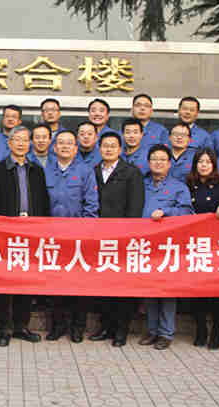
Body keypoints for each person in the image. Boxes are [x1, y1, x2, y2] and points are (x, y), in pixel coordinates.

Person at [0, 125, 49, 347]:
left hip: (31, 234)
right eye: (16, 140)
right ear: (9, 143)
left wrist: (40, 227)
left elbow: (44, 203)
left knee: (26, 282)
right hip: (5, 235)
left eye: (25, 140)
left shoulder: (37, 170)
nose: (21, 144)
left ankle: (22, 326)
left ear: (30, 144)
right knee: (5, 283)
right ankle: (4, 328)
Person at [43, 129, 99, 343]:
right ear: (54, 148)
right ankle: (58, 326)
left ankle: (77, 327)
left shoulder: (85, 171)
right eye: (61, 143)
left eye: (69, 143)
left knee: (79, 284)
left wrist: (85, 233)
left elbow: (91, 204)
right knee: (55, 284)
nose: (65, 146)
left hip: (78, 238)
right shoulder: (46, 171)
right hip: (53, 238)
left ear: (76, 149)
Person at [89, 131, 144, 346]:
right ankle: (106, 327)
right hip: (98, 237)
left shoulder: (131, 172)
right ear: (99, 148)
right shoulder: (94, 171)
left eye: (113, 146)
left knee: (122, 286)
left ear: (120, 149)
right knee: (103, 285)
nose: (109, 149)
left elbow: (135, 206)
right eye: (105, 146)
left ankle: (121, 330)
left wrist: (128, 234)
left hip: (122, 238)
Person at [138, 144, 194, 350]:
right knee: (150, 289)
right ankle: (152, 330)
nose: (158, 163)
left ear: (170, 164)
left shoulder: (179, 187)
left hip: (168, 246)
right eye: (154, 159)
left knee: (167, 290)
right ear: (148, 162)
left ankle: (166, 333)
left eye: (162, 159)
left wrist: (166, 212)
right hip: (145, 245)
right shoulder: (141, 184)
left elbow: (187, 213)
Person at [185, 148, 219, 349]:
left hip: (216, 244)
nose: (204, 165)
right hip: (193, 243)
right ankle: (200, 329)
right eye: (200, 162)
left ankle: (216, 330)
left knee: (216, 290)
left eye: (208, 162)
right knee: (197, 289)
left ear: (214, 165)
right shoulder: (189, 184)